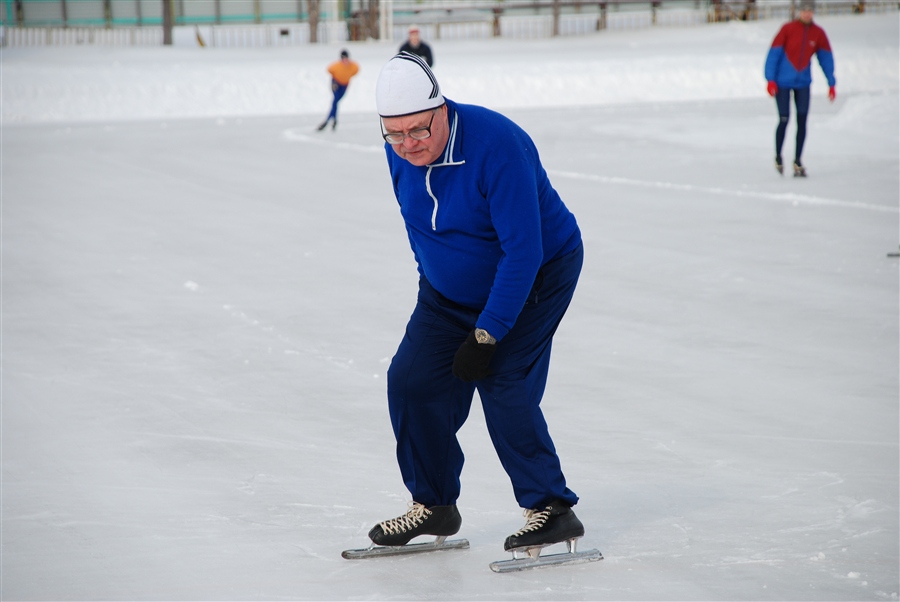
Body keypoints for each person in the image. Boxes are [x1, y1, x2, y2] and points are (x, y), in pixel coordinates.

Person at [365, 51, 586, 555]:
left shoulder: (496, 145)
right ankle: (435, 503)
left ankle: (551, 506)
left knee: (502, 377)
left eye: (418, 132)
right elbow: (419, 225)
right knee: (412, 380)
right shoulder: (399, 147)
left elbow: (523, 251)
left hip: (535, 276)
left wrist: (486, 334)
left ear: (440, 110)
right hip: (447, 293)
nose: (407, 146)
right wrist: (436, 288)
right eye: (393, 135)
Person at [764, 0, 836, 177]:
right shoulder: (787, 29)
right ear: (798, 12)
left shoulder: (818, 33)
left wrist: (831, 82)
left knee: (802, 121)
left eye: (810, 11)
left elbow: (826, 59)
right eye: (804, 10)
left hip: (803, 83)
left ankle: (797, 161)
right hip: (782, 82)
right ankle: (778, 156)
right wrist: (770, 79)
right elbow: (773, 54)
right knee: (784, 119)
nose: (806, 14)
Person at [317, 49, 359, 132]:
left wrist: (348, 77)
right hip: (336, 84)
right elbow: (329, 70)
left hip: (344, 86)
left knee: (336, 102)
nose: (345, 61)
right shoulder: (336, 66)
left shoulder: (353, 66)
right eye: (343, 59)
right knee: (335, 101)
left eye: (346, 59)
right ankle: (330, 121)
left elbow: (356, 70)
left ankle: (332, 120)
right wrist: (334, 82)